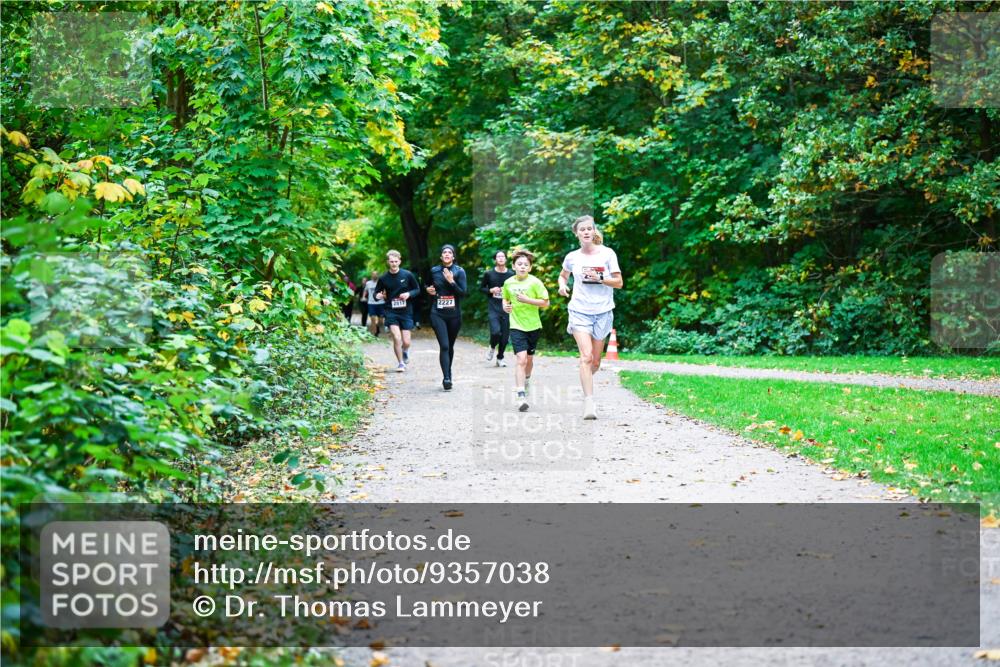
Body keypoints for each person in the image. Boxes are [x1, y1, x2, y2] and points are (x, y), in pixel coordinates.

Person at [558, 215, 623, 420]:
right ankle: (589, 402)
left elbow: (619, 282)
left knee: (595, 363)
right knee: (585, 357)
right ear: (576, 233)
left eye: (589, 228)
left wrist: (601, 278)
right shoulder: (572, 257)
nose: (586, 232)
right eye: (582, 229)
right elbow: (563, 275)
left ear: (594, 231)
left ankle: (584, 379)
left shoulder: (607, 254)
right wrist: (562, 285)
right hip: (579, 311)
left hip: (603, 312)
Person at [502, 249, 549, 412]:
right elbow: (505, 298)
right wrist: (505, 306)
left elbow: (545, 303)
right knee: (520, 359)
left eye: (526, 265)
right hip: (516, 326)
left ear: (530, 268)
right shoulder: (508, 283)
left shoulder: (535, 282)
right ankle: (520, 394)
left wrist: (527, 300)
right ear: (514, 266)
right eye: (519, 264)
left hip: (533, 326)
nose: (522, 267)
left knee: (529, 360)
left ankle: (526, 380)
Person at [425, 244, 467, 391]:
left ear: (453, 256)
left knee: (450, 346)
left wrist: (451, 281)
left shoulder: (459, 271)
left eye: (450, 252)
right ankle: (446, 378)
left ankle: (449, 373)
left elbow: (463, 293)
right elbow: (427, 284)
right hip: (438, 313)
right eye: (444, 252)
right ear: (441, 256)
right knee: (444, 345)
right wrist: (428, 289)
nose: (447, 254)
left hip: (454, 315)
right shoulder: (434, 271)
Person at [374, 250, 421, 372]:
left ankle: (405, 351)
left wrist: (408, 294)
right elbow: (376, 292)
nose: (394, 264)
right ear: (388, 262)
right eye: (391, 261)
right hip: (391, 311)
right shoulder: (384, 278)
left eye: (396, 261)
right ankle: (400, 363)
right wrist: (377, 296)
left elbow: (417, 289)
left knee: (406, 341)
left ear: (400, 261)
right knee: (396, 337)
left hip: (406, 311)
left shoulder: (407, 275)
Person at [480, 250, 514, 367]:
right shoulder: (489, 274)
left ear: (506, 259)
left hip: (507, 308)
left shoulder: (511, 274)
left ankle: (500, 358)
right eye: (498, 256)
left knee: (504, 337)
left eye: (502, 256)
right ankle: (492, 346)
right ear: (495, 259)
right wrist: (490, 290)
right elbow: (481, 288)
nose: (500, 258)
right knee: (495, 332)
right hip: (493, 307)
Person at [363, 271, 384, 336]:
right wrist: (363, 297)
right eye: (373, 274)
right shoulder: (368, 283)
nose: (375, 276)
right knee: (372, 318)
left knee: (381, 321)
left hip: (381, 303)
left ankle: (377, 328)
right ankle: (374, 333)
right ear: (371, 275)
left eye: (376, 274)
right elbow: (365, 290)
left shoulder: (381, 283)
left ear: (378, 275)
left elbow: (385, 291)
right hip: (371, 303)